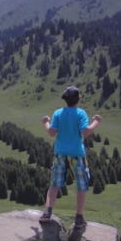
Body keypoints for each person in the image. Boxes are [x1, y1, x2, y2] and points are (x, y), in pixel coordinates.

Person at [39, 86, 101, 229]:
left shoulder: (58, 113)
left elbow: (51, 133)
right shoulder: (81, 113)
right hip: (77, 154)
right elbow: (85, 132)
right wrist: (96, 121)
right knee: (82, 185)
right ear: (78, 99)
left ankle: (47, 212)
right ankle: (79, 217)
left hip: (60, 152)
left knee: (54, 183)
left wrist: (46, 122)